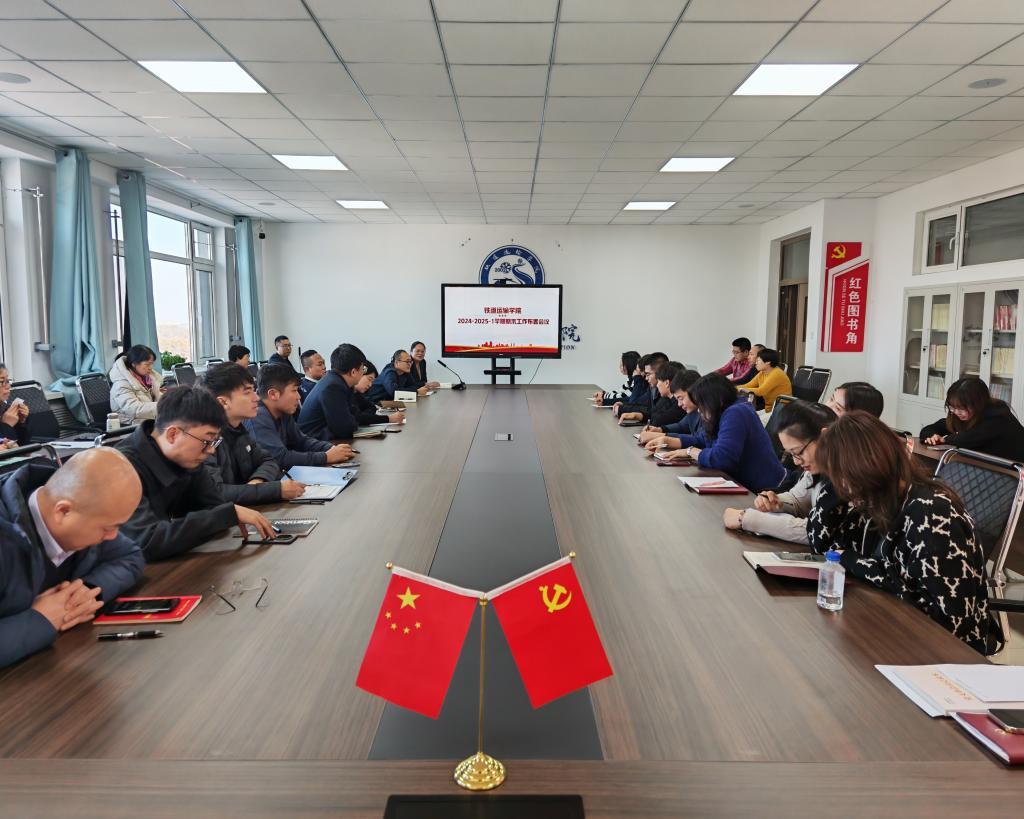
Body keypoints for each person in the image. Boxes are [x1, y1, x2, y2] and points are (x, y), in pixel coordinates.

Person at [818, 411, 999, 654]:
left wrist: (858, 564)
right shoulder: (881, 501)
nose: (841, 487)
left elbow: (951, 622)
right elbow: (829, 547)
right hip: (895, 627)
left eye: (841, 476)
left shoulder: (932, 514)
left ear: (865, 467)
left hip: (945, 653)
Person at [0, 448, 146, 668]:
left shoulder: (84, 511)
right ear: (63, 512)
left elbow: (130, 555)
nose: (113, 536)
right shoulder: (7, 540)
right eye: (108, 528)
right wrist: (42, 618)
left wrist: (87, 592)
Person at [117, 386, 274, 561]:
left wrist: (222, 515)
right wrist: (223, 516)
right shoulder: (121, 467)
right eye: (206, 441)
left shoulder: (187, 458)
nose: (211, 450)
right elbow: (146, 541)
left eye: (214, 442)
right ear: (173, 434)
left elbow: (213, 506)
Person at [721, 401, 861, 548]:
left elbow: (817, 532)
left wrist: (747, 518)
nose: (796, 461)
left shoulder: (851, 476)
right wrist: (776, 502)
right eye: (791, 454)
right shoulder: (819, 466)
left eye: (798, 452)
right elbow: (798, 500)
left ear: (824, 436)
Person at [648, 373, 786, 492]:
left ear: (715, 400)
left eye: (702, 404)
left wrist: (691, 451)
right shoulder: (725, 412)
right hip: (743, 483)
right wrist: (667, 440)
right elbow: (702, 439)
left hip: (764, 490)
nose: (699, 410)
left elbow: (722, 458)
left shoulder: (736, 412)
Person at [201, 364, 305, 505]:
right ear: (223, 402)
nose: (256, 398)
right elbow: (215, 493)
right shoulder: (204, 440)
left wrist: (258, 482)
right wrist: (273, 490)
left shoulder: (239, 429)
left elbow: (269, 460)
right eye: (247, 392)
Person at [246, 364, 355, 469]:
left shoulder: (282, 411)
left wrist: (331, 448)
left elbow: (302, 441)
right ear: (273, 394)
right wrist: (326, 457)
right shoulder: (257, 416)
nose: (298, 397)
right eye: (294, 390)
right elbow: (279, 458)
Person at [920, 377, 1024, 462]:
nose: (957, 412)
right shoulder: (961, 415)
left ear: (978, 403)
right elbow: (932, 428)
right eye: (952, 407)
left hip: (1015, 469)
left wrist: (944, 439)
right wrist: (932, 436)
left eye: (962, 408)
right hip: (988, 467)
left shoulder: (998, 416)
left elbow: (970, 438)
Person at [297, 343, 366, 442]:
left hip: (326, 439)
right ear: (353, 372)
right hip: (313, 442)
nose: (363, 372)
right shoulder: (333, 386)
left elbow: (355, 417)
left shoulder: (339, 381)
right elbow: (344, 428)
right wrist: (352, 422)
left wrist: (353, 421)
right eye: (363, 369)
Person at [639, 369, 702, 445]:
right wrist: (660, 429)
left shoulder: (708, 413)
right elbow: (681, 426)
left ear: (694, 393)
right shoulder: (693, 412)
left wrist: (663, 436)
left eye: (681, 398)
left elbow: (699, 440)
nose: (679, 404)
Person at [618, 361, 685, 427]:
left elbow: (657, 421)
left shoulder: (679, 404)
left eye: (659, 381)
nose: (657, 385)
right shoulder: (665, 399)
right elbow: (652, 412)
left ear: (667, 383)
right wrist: (638, 415)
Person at [108, 345, 163, 427]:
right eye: (147, 364)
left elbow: (156, 398)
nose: (151, 368)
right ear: (134, 364)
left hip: (146, 421)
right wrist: (163, 406)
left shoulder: (147, 379)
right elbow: (134, 409)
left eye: (152, 364)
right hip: (129, 425)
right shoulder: (121, 384)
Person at [612, 353, 667, 418]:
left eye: (647, 374)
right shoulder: (652, 387)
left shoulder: (645, 382)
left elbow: (652, 412)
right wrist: (624, 405)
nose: (646, 378)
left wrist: (638, 378)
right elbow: (638, 402)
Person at [737, 347, 792, 412]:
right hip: (769, 409)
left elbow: (761, 391)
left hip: (781, 410)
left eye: (758, 360)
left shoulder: (776, 374)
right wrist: (733, 388)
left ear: (768, 362)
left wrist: (741, 389)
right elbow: (748, 385)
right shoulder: (762, 373)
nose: (756, 363)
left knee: (747, 416)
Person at [352, 362, 404, 426]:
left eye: (372, 381)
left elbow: (372, 407)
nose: (370, 385)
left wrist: (365, 416)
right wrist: (388, 419)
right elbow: (358, 418)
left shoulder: (356, 394)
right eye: (369, 379)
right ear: (359, 374)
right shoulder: (346, 393)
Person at [0, 363, 30, 447]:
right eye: (1, 382)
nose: (8, 386)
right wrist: (7, 425)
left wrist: (22, 422)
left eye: (7, 381)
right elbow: (8, 450)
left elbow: (24, 446)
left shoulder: (5, 408)